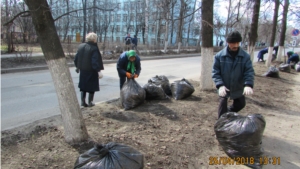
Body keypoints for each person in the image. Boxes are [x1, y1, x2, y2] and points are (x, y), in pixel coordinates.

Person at [212, 31, 255, 119]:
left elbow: (249, 71)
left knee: (241, 104)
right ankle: (221, 125)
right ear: (228, 43)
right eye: (233, 43)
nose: (235, 45)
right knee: (222, 104)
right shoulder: (219, 56)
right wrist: (220, 85)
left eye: (237, 43)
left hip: (237, 86)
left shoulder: (245, 56)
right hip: (224, 86)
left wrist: (248, 84)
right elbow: (215, 72)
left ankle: (227, 115)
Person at [74, 32, 104, 107]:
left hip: (83, 70)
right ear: (94, 39)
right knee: (92, 87)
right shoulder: (93, 48)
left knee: (83, 86)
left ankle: (82, 102)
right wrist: (98, 70)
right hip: (91, 71)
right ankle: (90, 102)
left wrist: (77, 67)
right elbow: (94, 61)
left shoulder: (81, 46)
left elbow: (76, 58)